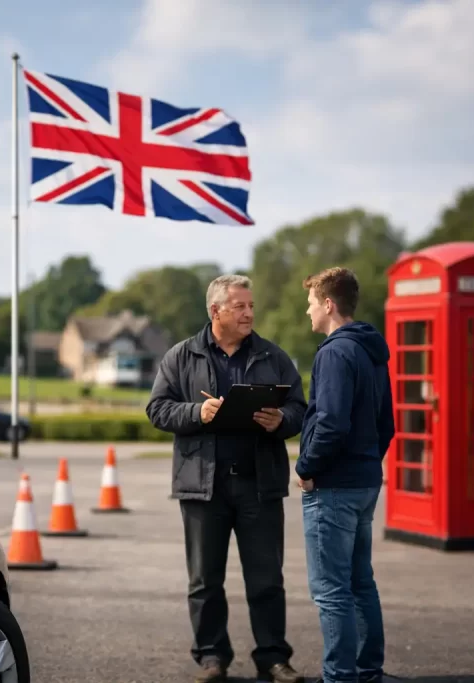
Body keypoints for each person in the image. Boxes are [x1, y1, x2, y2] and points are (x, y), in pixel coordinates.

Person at [146, 274, 308, 683]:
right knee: (204, 582)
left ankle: (273, 658)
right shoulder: (180, 357)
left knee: (268, 580)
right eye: (240, 306)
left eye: (251, 305)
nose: (250, 313)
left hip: (259, 485)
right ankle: (211, 658)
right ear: (215, 311)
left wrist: (281, 420)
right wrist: (194, 414)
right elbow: (157, 409)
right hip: (203, 487)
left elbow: (301, 410)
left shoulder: (274, 356)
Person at [296, 267, 396, 683]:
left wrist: (306, 467)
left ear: (329, 305)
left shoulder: (335, 352)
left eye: (311, 304)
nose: (308, 312)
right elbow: (386, 423)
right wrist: (369, 462)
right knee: (360, 582)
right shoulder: (373, 349)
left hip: (334, 485)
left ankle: (340, 676)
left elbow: (332, 422)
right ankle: (368, 670)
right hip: (365, 480)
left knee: (331, 589)